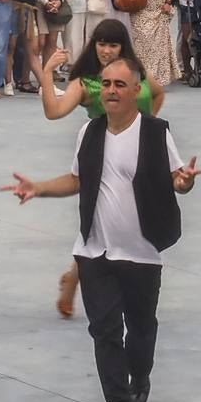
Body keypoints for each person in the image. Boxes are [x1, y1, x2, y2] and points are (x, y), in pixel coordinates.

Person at [7, 56, 201, 402]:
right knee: (104, 329)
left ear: (136, 91)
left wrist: (185, 183)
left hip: (142, 252)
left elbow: (177, 179)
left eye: (119, 85)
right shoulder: (89, 132)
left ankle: (140, 374)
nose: (111, 91)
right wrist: (39, 188)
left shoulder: (155, 133)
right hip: (95, 251)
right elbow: (77, 180)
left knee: (141, 327)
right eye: (106, 84)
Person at [39, 20, 165, 319]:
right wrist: (46, 73)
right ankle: (78, 279)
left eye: (113, 44)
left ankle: (75, 277)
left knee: (132, 222)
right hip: (102, 157)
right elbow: (54, 112)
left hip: (139, 156)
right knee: (98, 226)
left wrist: (145, 125)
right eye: (101, 44)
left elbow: (158, 93)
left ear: (123, 47)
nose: (106, 51)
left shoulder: (134, 72)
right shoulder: (86, 82)